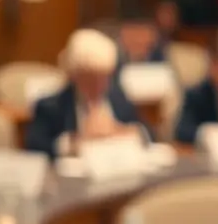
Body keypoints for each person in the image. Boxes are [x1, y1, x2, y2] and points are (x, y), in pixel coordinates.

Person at [26, 29, 152, 159]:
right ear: (74, 76)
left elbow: (149, 134)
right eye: (90, 80)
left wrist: (123, 132)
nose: (99, 86)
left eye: (103, 78)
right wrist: (74, 142)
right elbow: (35, 147)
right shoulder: (51, 106)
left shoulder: (118, 98)